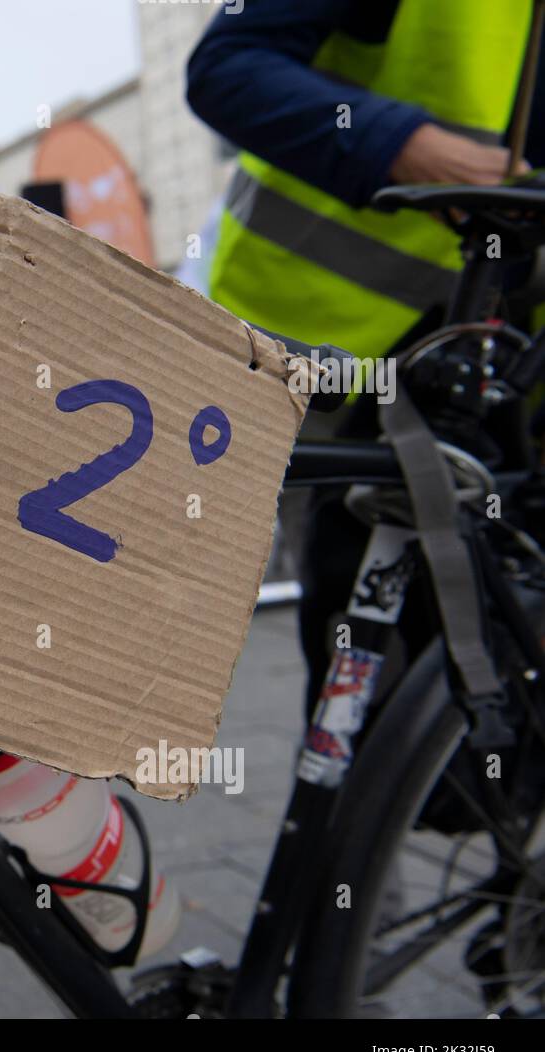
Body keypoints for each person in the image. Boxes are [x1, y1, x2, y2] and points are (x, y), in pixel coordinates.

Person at [186, 0, 543, 716]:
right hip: (323, 355)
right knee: (359, 680)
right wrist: (406, 144)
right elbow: (227, 68)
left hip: (509, 369)